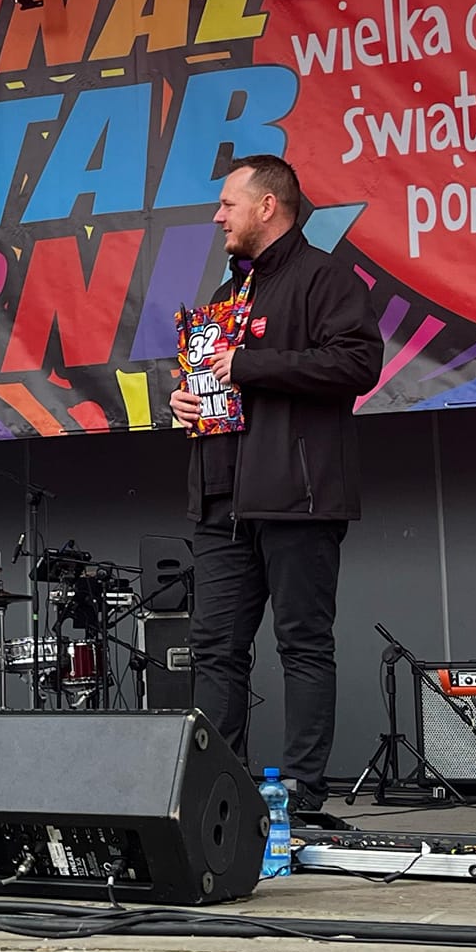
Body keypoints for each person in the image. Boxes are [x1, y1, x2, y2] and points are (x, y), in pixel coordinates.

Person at [166, 156, 383, 821]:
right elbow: (221, 382)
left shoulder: (324, 277)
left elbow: (358, 363)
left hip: (297, 496)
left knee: (302, 645)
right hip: (221, 498)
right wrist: (189, 401)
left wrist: (249, 364)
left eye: (227, 204)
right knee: (214, 650)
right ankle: (219, 795)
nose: (217, 217)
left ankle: (302, 793)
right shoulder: (227, 293)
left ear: (268, 206)